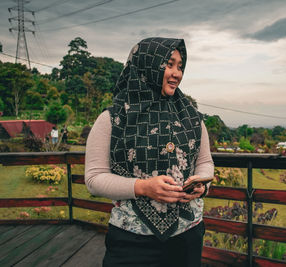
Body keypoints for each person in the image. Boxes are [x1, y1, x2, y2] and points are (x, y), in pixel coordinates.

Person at [85, 37, 214, 267]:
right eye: (169, 64)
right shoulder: (113, 119)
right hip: (131, 241)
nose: (177, 73)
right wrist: (143, 187)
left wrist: (201, 186)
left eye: (180, 66)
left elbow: (205, 162)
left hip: (187, 237)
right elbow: (94, 179)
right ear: (147, 65)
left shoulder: (192, 117)